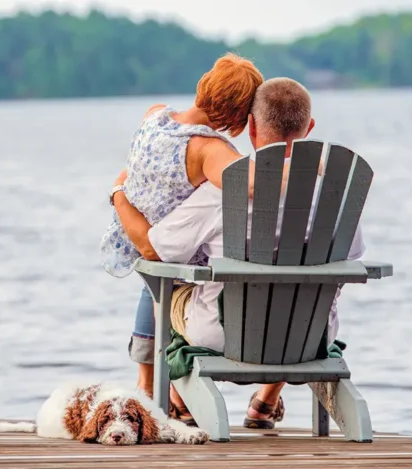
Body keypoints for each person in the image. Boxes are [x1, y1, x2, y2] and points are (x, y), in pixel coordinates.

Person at [111, 77, 366, 428]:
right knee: (297, 293)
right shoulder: (334, 192)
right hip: (310, 333)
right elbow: (349, 257)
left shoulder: (222, 190)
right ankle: (266, 399)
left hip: (219, 333)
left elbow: (154, 250)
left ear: (250, 128)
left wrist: (118, 193)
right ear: (309, 128)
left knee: (163, 287)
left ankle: (172, 397)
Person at [101, 52, 262, 398]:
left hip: (133, 231)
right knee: (173, 287)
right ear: (239, 112)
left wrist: (118, 190)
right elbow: (249, 184)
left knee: (152, 288)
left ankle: (145, 382)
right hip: (172, 250)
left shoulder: (155, 115)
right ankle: (177, 390)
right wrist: (311, 165)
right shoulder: (208, 150)